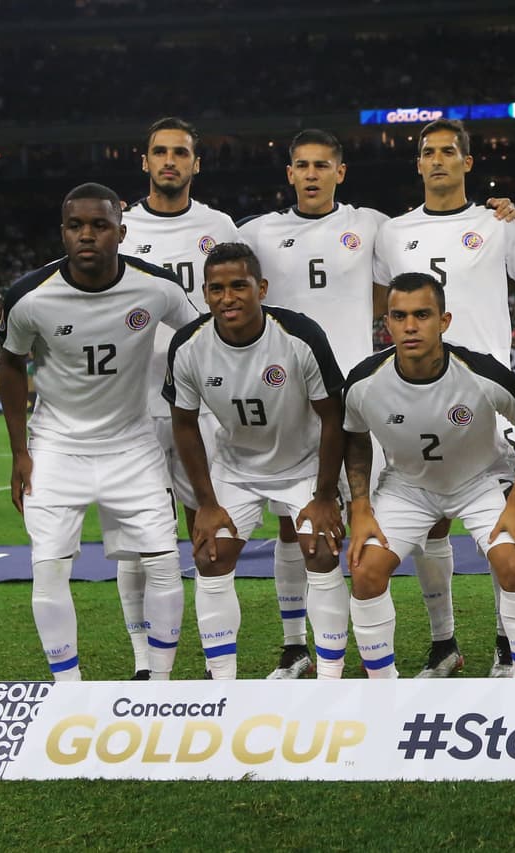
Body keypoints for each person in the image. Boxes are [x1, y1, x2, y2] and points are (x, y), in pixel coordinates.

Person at [374, 118, 515, 677]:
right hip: (415, 393)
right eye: (427, 152)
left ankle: (507, 645)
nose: (437, 160)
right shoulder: (392, 232)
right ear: (419, 163)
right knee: (428, 524)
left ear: (467, 162)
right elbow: (380, 308)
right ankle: (444, 644)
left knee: (503, 522)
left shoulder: (498, 226)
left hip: (488, 397)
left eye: (448, 152)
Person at [0, 182, 199, 680]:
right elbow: (9, 364)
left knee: (163, 564)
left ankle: (159, 682)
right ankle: (67, 686)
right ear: (63, 232)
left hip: (133, 446)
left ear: (121, 232)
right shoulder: (28, 296)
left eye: (100, 225)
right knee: (48, 568)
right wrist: (20, 453)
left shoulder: (158, 286)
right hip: (56, 448)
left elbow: (198, 339)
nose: (87, 234)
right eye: (76, 225)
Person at [237, 129, 388, 680]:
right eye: (302, 165)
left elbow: (409, 273)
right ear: (290, 173)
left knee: (378, 518)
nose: (311, 174)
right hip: (291, 400)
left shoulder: (370, 224)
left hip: (359, 395)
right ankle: (296, 645)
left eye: (322, 165)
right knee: (293, 525)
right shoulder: (257, 231)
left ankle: (385, 646)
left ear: (340, 173)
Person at [342, 272, 515, 678]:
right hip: (408, 488)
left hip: (480, 481)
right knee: (365, 569)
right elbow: (353, 436)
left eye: (423, 315)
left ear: (444, 321)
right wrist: (361, 506)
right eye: (399, 316)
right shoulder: (365, 381)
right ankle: (383, 689)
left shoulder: (481, 373)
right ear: (387, 323)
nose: (411, 326)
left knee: (514, 563)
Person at [164, 242, 348, 679]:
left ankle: (331, 679)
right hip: (237, 469)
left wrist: (325, 496)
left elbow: (334, 418)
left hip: (302, 464)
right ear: (205, 293)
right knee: (210, 556)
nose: (227, 298)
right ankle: (222, 682)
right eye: (216, 289)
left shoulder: (300, 336)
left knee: (320, 551)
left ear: (261, 288)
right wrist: (206, 504)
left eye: (238, 286)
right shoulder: (188, 345)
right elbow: (185, 425)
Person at [120, 116, 241, 680]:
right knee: (138, 539)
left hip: (200, 404)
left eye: (181, 153)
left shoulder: (218, 225)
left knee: (209, 528)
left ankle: (217, 660)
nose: (170, 161)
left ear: (196, 163)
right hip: (132, 404)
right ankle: (148, 663)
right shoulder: (118, 226)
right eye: (159, 152)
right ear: (144, 161)